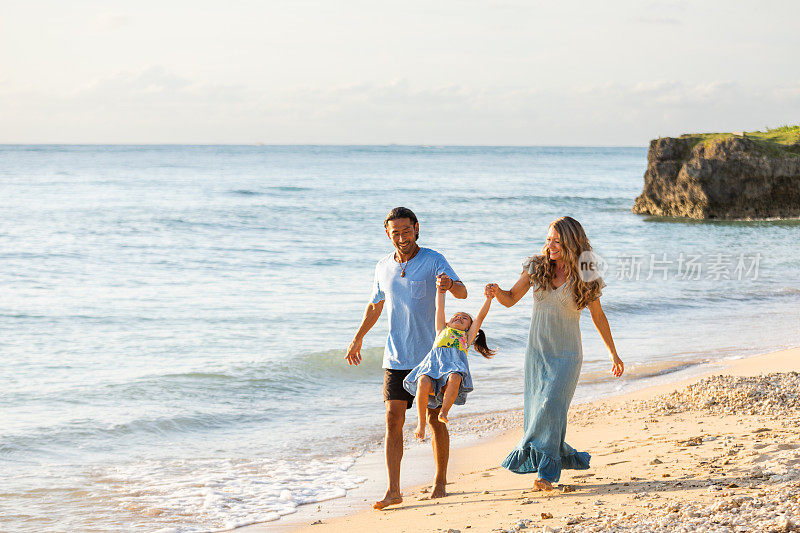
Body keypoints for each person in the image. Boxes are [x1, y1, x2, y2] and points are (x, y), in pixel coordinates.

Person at [487, 216, 623, 492]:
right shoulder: (537, 267)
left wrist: (613, 354)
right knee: (541, 410)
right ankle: (550, 461)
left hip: (567, 355)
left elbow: (598, 315)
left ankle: (546, 473)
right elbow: (511, 298)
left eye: (557, 241)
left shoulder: (585, 273)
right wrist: (495, 291)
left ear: (571, 242)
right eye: (548, 239)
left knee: (550, 406)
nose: (550, 245)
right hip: (537, 352)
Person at [346, 207, 467, 510]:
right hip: (395, 356)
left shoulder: (433, 259)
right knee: (392, 419)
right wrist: (359, 336)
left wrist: (449, 285)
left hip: (431, 357)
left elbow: (463, 292)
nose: (401, 237)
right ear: (387, 234)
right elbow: (375, 305)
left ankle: (440, 481)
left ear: (416, 228)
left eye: (406, 230)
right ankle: (393, 490)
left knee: (434, 418)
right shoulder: (382, 266)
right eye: (395, 232)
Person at [403, 277, 496, 439]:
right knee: (423, 381)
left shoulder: (466, 338)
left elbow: (480, 318)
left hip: (451, 374)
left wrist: (488, 299)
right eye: (456, 316)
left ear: (469, 327)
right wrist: (440, 291)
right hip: (432, 369)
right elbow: (439, 308)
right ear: (448, 322)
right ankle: (421, 423)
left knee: (455, 377)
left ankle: (444, 411)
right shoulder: (441, 330)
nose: (459, 317)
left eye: (464, 318)